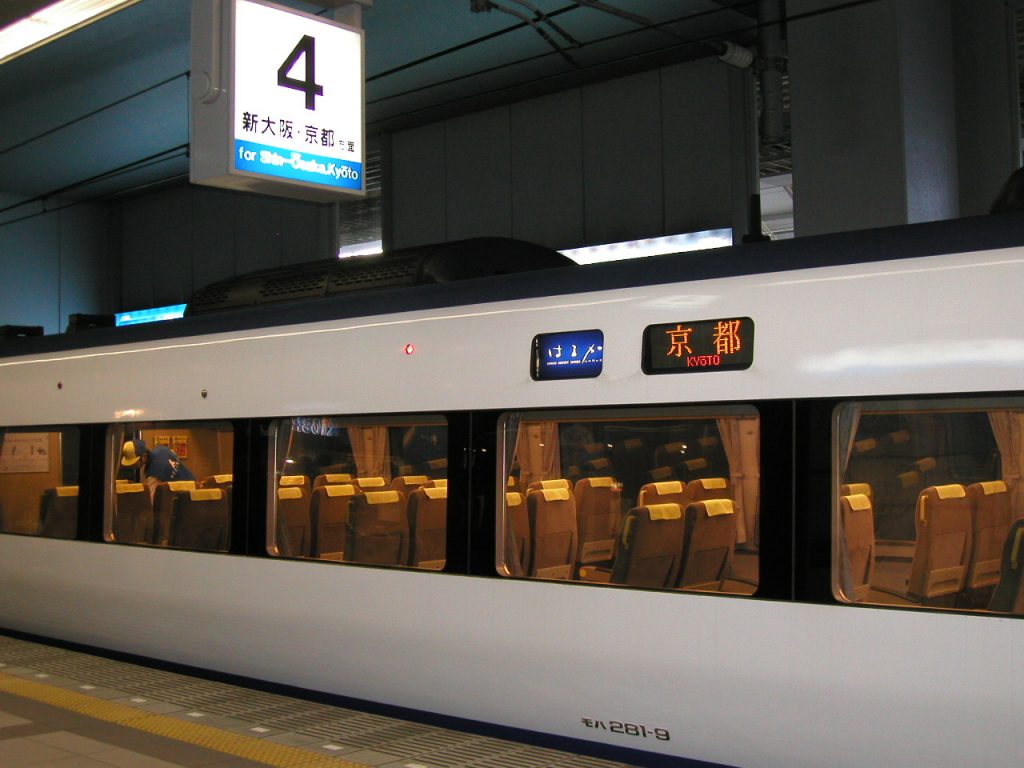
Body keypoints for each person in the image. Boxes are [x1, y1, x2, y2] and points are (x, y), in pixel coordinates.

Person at [121, 439, 195, 499]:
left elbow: (150, 502)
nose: (132, 465)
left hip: (186, 499)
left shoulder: (154, 472)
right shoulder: (161, 449)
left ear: (143, 456)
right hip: (194, 490)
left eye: (134, 462)